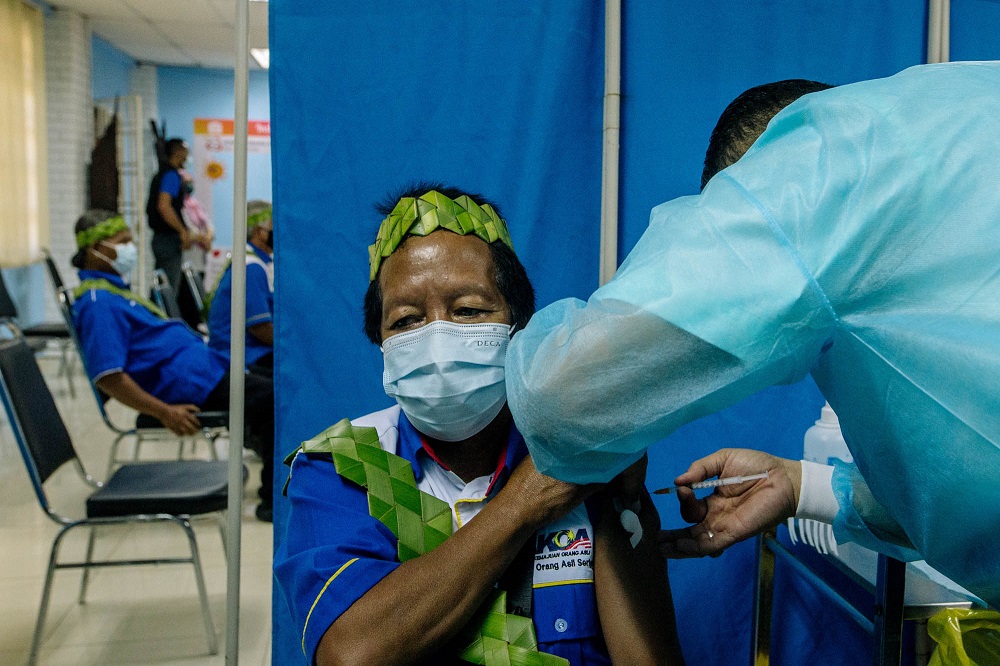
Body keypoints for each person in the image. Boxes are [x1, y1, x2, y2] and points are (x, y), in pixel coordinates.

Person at [503, 62, 1000, 608]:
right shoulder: (964, 103)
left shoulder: (816, 168)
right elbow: (971, 468)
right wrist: (800, 485)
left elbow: (562, 400)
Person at [274, 185, 684, 665]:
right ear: (379, 342)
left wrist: (624, 498)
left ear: (519, 325)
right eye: (406, 320)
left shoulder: (581, 446)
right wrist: (524, 503)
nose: (437, 336)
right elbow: (351, 654)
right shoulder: (341, 467)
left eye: (468, 310)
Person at [70, 209, 276, 522]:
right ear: (93, 250)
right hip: (187, 384)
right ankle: (271, 504)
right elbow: (108, 377)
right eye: (122, 242)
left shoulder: (112, 292)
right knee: (273, 400)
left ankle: (262, 450)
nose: (130, 248)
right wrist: (165, 413)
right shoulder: (98, 303)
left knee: (272, 387)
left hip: (201, 369)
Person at [207, 200, 274, 374]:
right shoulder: (252, 268)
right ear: (260, 232)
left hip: (247, 349)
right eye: (274, 225)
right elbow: (260, 328)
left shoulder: (253, 260)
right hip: (242, 355)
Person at [147, 138, 193, 308]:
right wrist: (182, 231)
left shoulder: (162, 174)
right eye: (185, 151)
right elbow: (164, 206)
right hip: (167, 240)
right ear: (177, 152)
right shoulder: (171, 175)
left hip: (162, 239)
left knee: (162, 287)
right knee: (167, 291)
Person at [179, 168, 215, 329]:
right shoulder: (180, 206)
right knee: (187, 295)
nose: (188, 185)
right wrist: (201, 238)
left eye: (190, 182)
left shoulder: (196, 205)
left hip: (199, 256)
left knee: (198, 288)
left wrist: (208, 236)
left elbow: (208, 225)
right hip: (186, 257)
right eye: (185, 182)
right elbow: (188, 231)